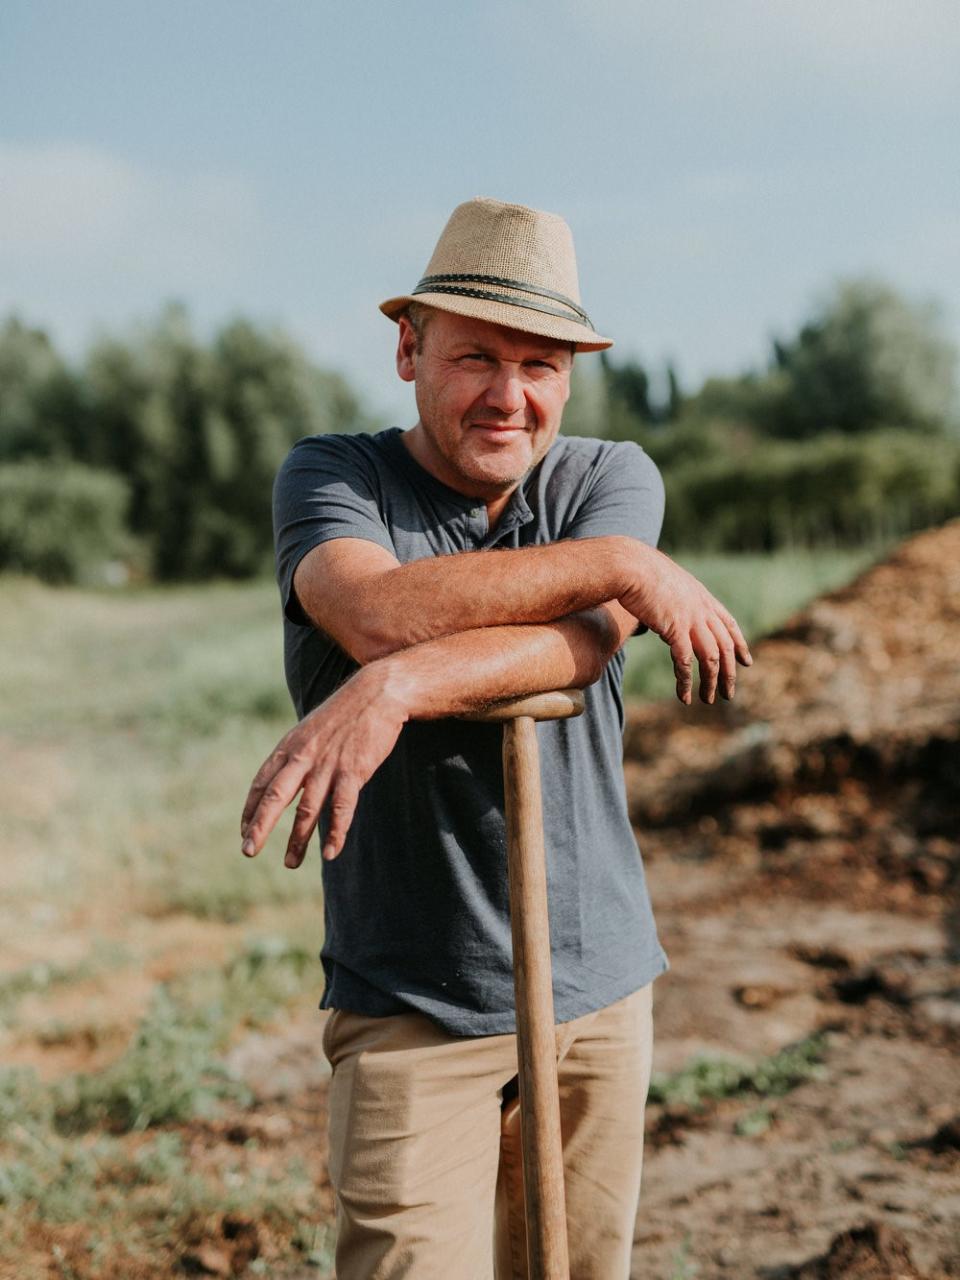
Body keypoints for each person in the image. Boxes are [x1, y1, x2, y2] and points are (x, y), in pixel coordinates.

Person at [240, 197, 752, 1279]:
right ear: (408, 349)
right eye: (476, 356)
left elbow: (582, 648)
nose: (510, 396)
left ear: (569, 375)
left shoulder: (608, 479)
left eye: (541, 364)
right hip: (413, 1001)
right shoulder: (335, 478)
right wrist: (619, 566)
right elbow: (372, 608)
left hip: (600, 992)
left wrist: (405, 683)